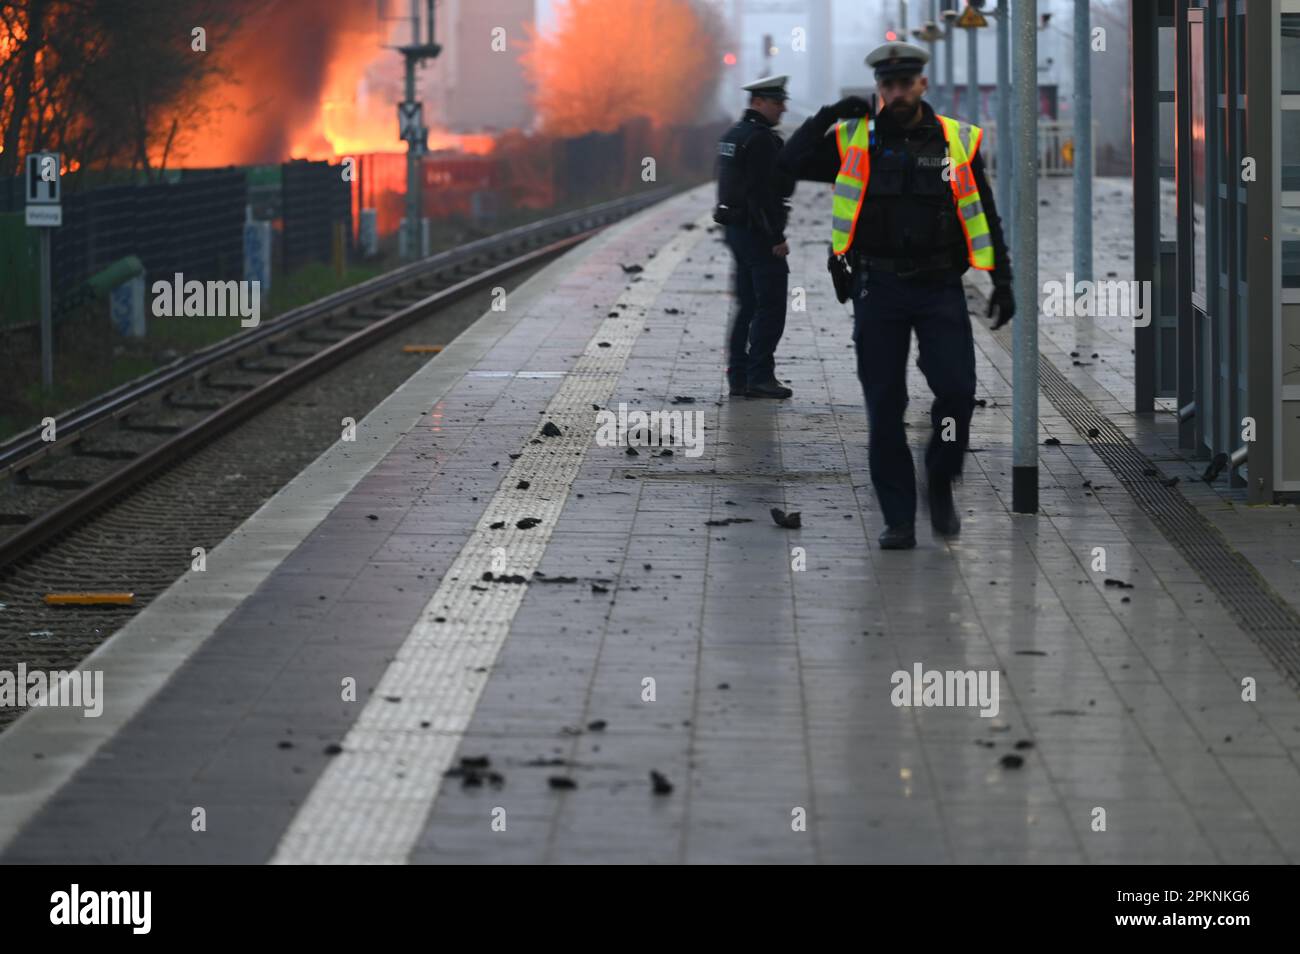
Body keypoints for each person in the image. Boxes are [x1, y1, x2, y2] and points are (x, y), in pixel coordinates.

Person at [779, 42, 1015, 549]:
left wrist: (1003, 280)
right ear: (879, 89)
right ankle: (899, 518)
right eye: (888, 85)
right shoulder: (853, 140)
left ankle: (939, 475)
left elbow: (985, 214)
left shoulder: (956, 141)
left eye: (906, 83)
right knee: (885, 406)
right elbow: (787, 162)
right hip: (877, 288)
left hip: (939, 287)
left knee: (957, 392)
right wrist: (825, 114)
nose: (898, 92)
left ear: (922, 84)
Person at [714, 74, 796, 399]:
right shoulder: (761, 140)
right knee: (771, 304)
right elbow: (761, 194)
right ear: (758, 102)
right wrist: (776, 236)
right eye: (777, 102)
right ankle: (760, 376)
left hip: (736, 230)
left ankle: (738, 376)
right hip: (757, 233)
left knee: (746, 304)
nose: (783, 108)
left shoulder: (733, 135)